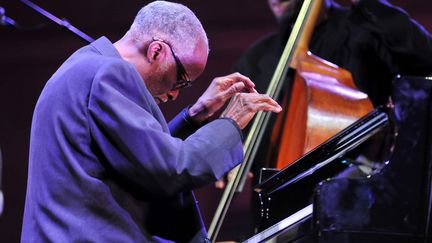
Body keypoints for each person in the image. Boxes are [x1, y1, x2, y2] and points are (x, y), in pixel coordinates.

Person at [20, 1, 282, 242]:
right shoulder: (108, 73)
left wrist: (193, 117)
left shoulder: (86, 67)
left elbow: (136, 157)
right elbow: (171, 170)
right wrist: (230, 122)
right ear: (157, 51)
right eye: (180, 78)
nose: (174, 94)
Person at [231, 0, 432, 185]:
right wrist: (231, 153)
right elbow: (243, 133)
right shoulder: (255, 58)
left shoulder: (366, 31)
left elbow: (425, 59)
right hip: (275, 208)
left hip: (358, 189)